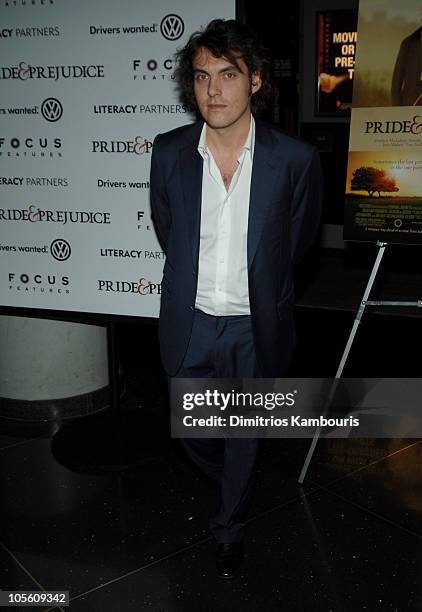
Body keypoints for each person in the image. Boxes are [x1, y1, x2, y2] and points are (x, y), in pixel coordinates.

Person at [150, 19, 322, 579]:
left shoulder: (294, 160)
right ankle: (234, 472)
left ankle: (230, 528)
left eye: (228, 74)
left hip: (255, 326)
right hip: (192, 321)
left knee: (244, 435)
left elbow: (293, 244)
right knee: (195, 430)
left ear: (254, 81)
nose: (213, 90)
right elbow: (167, 228)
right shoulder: (169, 152)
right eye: (202, 77)